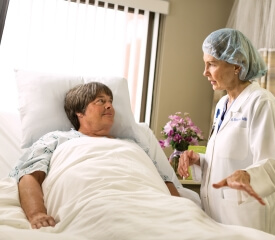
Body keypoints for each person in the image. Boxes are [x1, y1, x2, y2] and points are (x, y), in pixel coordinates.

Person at [9, 82, 180, 229]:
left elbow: (163, 181)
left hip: (152, 206)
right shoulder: (55, 139)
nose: (109, 106)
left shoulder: (133, 144)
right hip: (91, 205)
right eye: (101, 101)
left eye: (110, 101)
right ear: (79, 112)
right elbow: (29, 176)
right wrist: (37, 213)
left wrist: (181, 211)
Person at [177, 28, 275, 235]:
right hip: (216, 215)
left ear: (236, 64)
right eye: (205, 64)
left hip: (246, 219)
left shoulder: (261, 103)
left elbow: (271, 167)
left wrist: (247, 176)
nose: (205, 72)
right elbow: (228, 157)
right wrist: (199, 159)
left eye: (212, 64)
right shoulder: (222, 104)